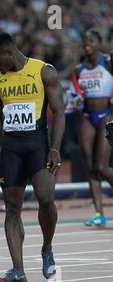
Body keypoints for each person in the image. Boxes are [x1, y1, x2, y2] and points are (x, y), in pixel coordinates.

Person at [0, 32, 65, 282]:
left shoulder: (44, 71)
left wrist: (55, 148)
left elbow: (59, 112)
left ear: (10, 53)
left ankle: (47, 248)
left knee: (46, 200)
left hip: (38, 146)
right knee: (11, 209)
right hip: (11, 148)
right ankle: (17, 269)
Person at [70, 29, 113, 226]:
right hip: (87, 115)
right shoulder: (79, 69)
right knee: (91, 168)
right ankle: (99, 213)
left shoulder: (108, 61)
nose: (87, 43)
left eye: (91, 40)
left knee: (102, 167)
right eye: (85, 40)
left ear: (99, 42)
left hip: (107, 115)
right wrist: (75, 101)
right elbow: (73, 95)